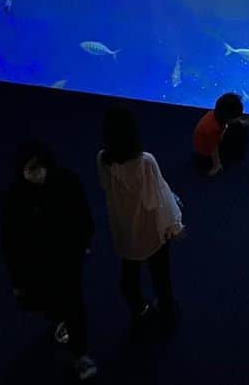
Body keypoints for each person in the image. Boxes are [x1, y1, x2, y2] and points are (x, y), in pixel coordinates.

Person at [1, 141, 98, 381]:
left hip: (66, 261)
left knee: (74, 305)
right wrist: (17, 279)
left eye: (41, 167)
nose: (39, 173)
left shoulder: (65, 181)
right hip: (37, 267)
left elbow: (83, 214)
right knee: (46, 303)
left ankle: (79, 354)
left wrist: (83, 242)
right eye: (32, 169)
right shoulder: (15, 200)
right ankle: (62, 320)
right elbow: (11, 242)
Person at [98, 105, 184, 330]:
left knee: (129, 271)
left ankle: (138, 308)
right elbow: (157, 198)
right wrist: (174, 225)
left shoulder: (103, 159)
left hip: (123, 227)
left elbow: (106, 187)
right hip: (150, 229)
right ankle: (167, 309)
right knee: (160, 272)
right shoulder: (145, 161)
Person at [192, 92, 248, 176]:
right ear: (227, 118)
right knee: (239, 132)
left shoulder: (216, 114)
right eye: (236, 117)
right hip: (205, 153)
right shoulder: (211, 128)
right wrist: (216, 165)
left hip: (214, 138)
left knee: (238, 126)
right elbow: (213, 148)